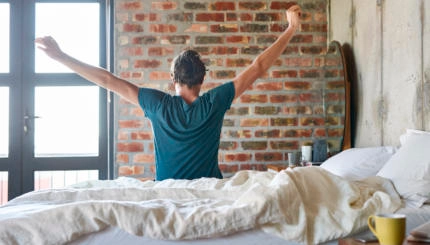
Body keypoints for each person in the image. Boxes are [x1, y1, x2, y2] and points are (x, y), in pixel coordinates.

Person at [35, 5, 301, 181]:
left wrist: (60, 56)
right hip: (210, 191)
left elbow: (107, 79)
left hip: (166, 191)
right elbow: (258, 66)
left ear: (173, 78)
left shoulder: (157, 104)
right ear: (203, 77)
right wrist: (291, 29)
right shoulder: (215, 102)